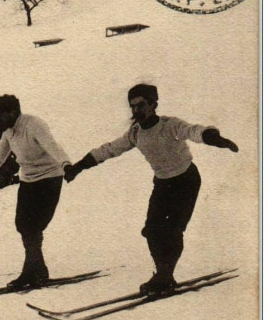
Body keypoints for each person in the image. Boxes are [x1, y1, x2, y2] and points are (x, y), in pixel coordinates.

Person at [63, 84, 239, 295]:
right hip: (163, 183)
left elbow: (193, 131)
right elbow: (108, 150)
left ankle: (165, 275)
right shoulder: (135, 133)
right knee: (153, 230)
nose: (136, 110)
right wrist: (78, 167)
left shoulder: (169, 125)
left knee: (173, 229)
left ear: (154, 104)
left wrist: (214, 138)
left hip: (186, 181)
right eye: (133, 106)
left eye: (141, 105)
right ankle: (163, 274)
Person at [0, 95, 71, 289]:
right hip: (28, 179)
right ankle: (37, 269)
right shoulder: (8, 132)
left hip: (49, 177)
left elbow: (52, 146)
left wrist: (66, 165)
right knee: (22, 224)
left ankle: (31, 271)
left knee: (34, 226)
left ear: (13, 112)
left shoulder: (34, 124)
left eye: (0, 115)